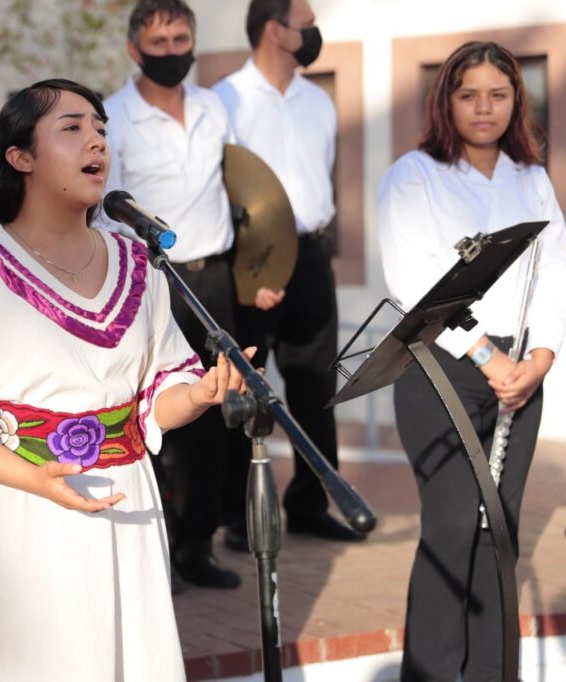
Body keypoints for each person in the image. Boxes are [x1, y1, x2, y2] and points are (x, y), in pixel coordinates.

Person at [0, 79, 253, 681]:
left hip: (127, 505)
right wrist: (35, 479)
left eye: (103, 130)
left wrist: (201, 393)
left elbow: (156, 398)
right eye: (73, 127)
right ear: (21, 157)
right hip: (20, 516)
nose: (97, 143)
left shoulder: (139, 262)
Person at [378, 41, 566, 681]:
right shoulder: (414, 174)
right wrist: (488, 357)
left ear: (517, 99)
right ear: (446, 101)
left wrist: (538, 359)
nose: (484, 108)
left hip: (521, 374)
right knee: (454, 525)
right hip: (442, 367)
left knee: (500, 533)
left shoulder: (531, 177)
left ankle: (492, 672)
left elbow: (555, 274)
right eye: (468, 94)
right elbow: (413, 280)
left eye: (498, 93)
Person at [101, 0, 242, 589]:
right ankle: (153, 547)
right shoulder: (111, 116)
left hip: (214, 277)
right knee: (153, 413)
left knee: (213, 412)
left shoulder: (213, 107)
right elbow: (104, 214)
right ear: (135, 49)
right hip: (151, 281)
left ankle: (195, 547)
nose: (170, 51)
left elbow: (242, 187)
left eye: (180, 39)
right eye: (157, 42)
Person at [212, 0, 361, 548]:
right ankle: (236, 516)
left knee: (317, 383)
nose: (314, 33)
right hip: (251, 261)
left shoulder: (319, 101)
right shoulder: (223, 101)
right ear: (276, 31)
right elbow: (224, 190)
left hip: (313, 256)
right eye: (307, 25)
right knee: (244, 386)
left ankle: (311, 503)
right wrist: (253, 267)